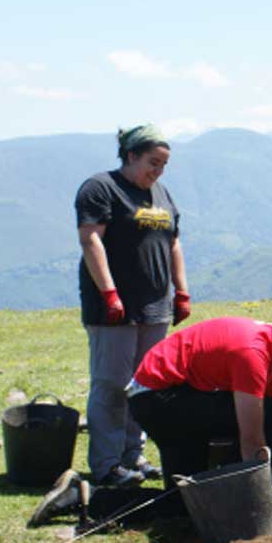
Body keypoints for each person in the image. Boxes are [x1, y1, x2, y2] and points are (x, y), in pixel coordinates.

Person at [28, 304, 272, 528]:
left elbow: (267, 426)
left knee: (185, 503)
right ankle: (232, 491)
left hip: (178, 399)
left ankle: (83, 496)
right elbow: (254, 435)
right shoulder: (252, 355)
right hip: (159, 401)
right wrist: (258, 504)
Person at [76, 123, 192, 488]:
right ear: (130, 156)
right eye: (152, 163)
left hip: (155, 308)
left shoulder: (161, 193)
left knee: (144, 385)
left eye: (163, 165)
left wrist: (182, 291)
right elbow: (90, 239)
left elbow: (173, 242)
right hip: (115, 310)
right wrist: (109, 293)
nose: (157, 171)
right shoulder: (101, 188)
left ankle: (133, 455)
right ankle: (107, 464)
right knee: (111, 384)